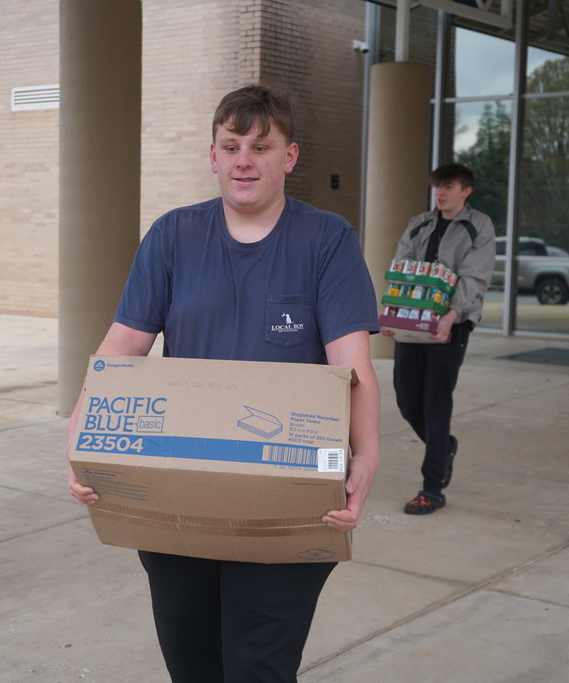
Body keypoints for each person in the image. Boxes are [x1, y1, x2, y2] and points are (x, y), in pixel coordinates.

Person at [66, 85, 381, 682]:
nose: (244, 160)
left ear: (289, 157)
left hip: (286, 495)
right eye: (231, 146)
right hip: (178, 494)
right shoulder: (173, 236)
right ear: (212, 155)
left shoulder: (326, 241)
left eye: (261, 147)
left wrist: (366, 454)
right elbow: (123, 345)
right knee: (191, 663)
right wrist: (81, 437)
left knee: (257, 668)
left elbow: (354, 365)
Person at [383, 163, 494, 515]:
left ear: (466, 190)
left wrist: (451, 315)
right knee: (405, 397)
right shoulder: (419, 223)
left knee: (435, 401)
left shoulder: (480, 227)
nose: (441, 193)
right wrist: (394, 311)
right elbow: (402, 267)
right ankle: (443, 445)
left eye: (448, 186)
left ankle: (432, 487)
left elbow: (474, 278)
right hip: (414, 322)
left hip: (452, 323)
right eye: (437, 187)